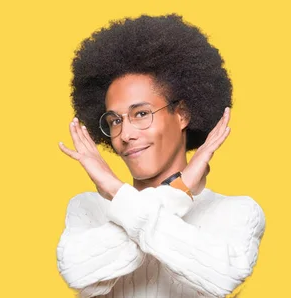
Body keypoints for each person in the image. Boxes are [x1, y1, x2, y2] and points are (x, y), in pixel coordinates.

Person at [56, 14, 266, 298]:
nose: (125, 133)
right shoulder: (87, 208)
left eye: (141, 114)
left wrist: (117, 193)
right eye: (115, 120)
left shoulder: (238, 212)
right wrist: (178, 191)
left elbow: (221, 277)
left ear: (181, 115)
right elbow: (79, 272)